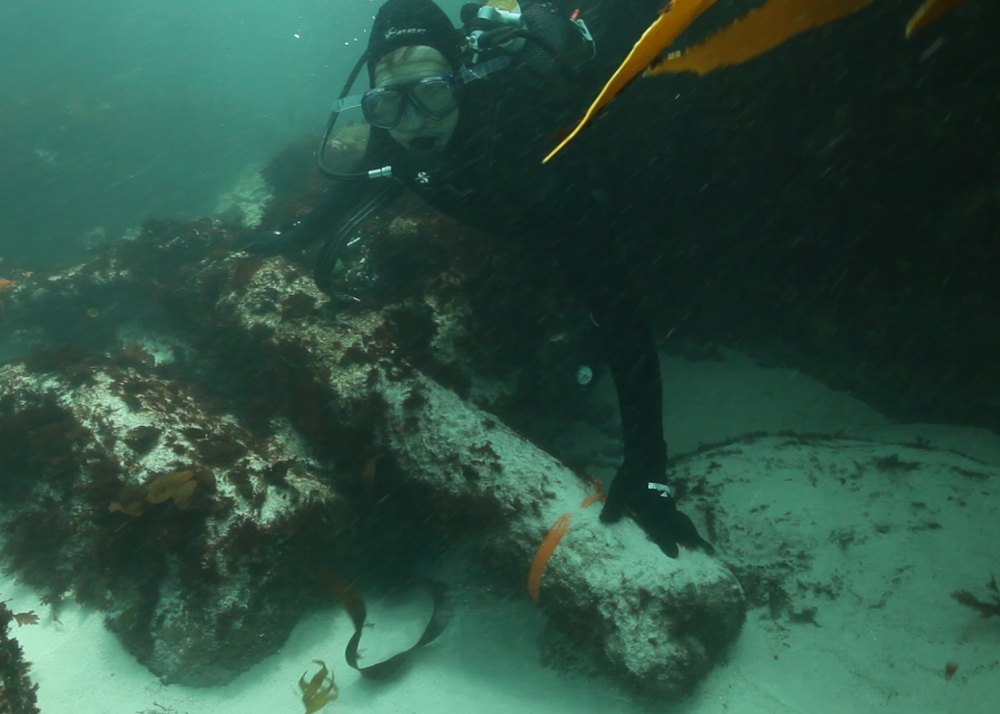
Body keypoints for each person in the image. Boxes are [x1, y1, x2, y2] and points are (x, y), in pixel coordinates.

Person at [253, 0, 713, 558]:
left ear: (464, 82)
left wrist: (648, 465)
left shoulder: (526, 132)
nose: (415, 121)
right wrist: (292, 233)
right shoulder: (396, 122)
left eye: (434, 93)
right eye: (388, 103)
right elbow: (357, 185)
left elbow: (622, 318)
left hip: (594, 190)